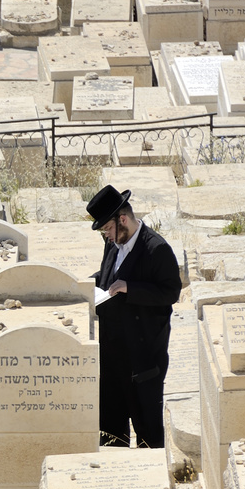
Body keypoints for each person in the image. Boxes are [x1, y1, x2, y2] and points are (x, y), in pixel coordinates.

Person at [87, 185, 181, 449]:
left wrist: (131, 288)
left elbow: (171, 291)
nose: (106, 235)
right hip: (111, 355)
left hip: (143, 359)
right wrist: (87, 285)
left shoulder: (156, 249)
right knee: (111, 430)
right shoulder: (114, 244)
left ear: (123, 220)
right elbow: (106, 278)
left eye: (107, 228)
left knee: (147, 431)